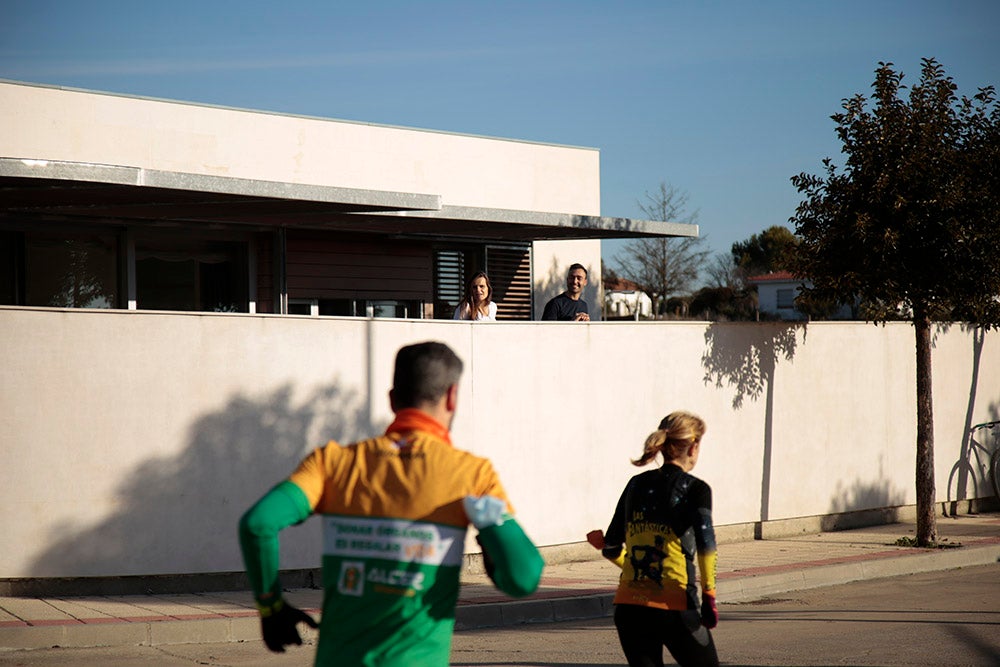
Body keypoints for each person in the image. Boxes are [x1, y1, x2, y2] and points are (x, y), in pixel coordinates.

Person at [239, 341, 543, 666]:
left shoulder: (333, 463)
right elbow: (523, 578)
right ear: (452, 396)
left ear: (392, 399)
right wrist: (490, 530)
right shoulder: (471, 474)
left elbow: (258, 524)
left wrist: (270, 606)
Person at [586, 411, 719, 667]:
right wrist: (709, 598)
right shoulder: (696, 489)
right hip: (676, 605)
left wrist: (603, 544)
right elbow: (706, 545)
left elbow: (612, 548)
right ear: (693, 447)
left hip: (629, 608)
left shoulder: (635, 484)